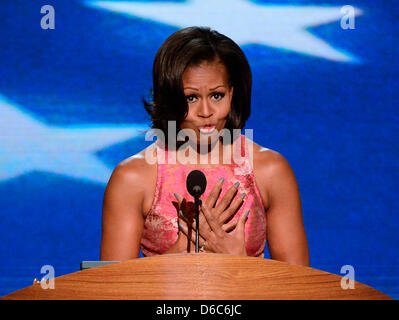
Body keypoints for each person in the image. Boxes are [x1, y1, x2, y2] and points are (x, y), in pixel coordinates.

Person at [100, 26, 309, 266]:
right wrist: (179, 254)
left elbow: (299, 290)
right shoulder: (133, 178)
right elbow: (114, 291)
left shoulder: (271, 171)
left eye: (217, 96)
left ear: (232, 94)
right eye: (191, 98)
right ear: (170, 98)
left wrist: (241, 264)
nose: (206, 112)